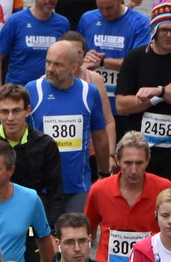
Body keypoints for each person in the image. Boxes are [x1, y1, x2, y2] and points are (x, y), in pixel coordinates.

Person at [0, 84, 65, 240]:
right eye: (4, 111)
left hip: (29, 221)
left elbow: (55, 193)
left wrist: (51, 231)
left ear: (27, 110)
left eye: (16, 111)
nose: (10, 118)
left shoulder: (45, 144)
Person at [111, 1, 171, 182]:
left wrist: (161, 91)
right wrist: (157, 98)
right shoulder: (135, 58)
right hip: (140, 149)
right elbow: (121, 105)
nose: (168, 35)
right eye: (163, 30)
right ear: (154, 31)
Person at [25, 41, 110, 216]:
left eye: (57, 64)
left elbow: (100, 135)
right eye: (48, 62)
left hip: (77, 186)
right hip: (41, 187)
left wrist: (104, 174)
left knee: (76, 239)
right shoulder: (33, 90)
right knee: (42, 240)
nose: (50, 68)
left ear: (73, 67)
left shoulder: (89, 92)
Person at [84, 134, 169, 262]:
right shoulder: (99, 190)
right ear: (117, 161)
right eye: (128, 163)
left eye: (139, 163)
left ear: (148, 161)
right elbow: (88, 231)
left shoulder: (164, 189)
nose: (134, 170)